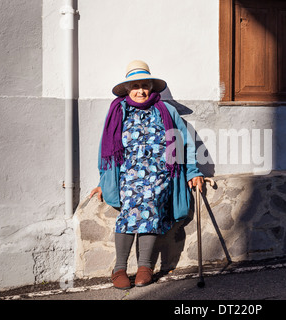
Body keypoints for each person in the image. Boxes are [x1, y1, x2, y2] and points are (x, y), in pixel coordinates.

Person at [89, 60, 204, 289]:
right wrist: (104, 181)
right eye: (135, 86)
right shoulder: (118, 111)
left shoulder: (166, 111)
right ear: (127, 89)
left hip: (160, 177)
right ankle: (119, 268)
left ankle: (144, 267)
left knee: (151, 213)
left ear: (151, 87)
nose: (140, 90)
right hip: (128, 177)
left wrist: (192, 171)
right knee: (128, 215)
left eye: (144, 85)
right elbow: (107, 150)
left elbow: (184, 144)